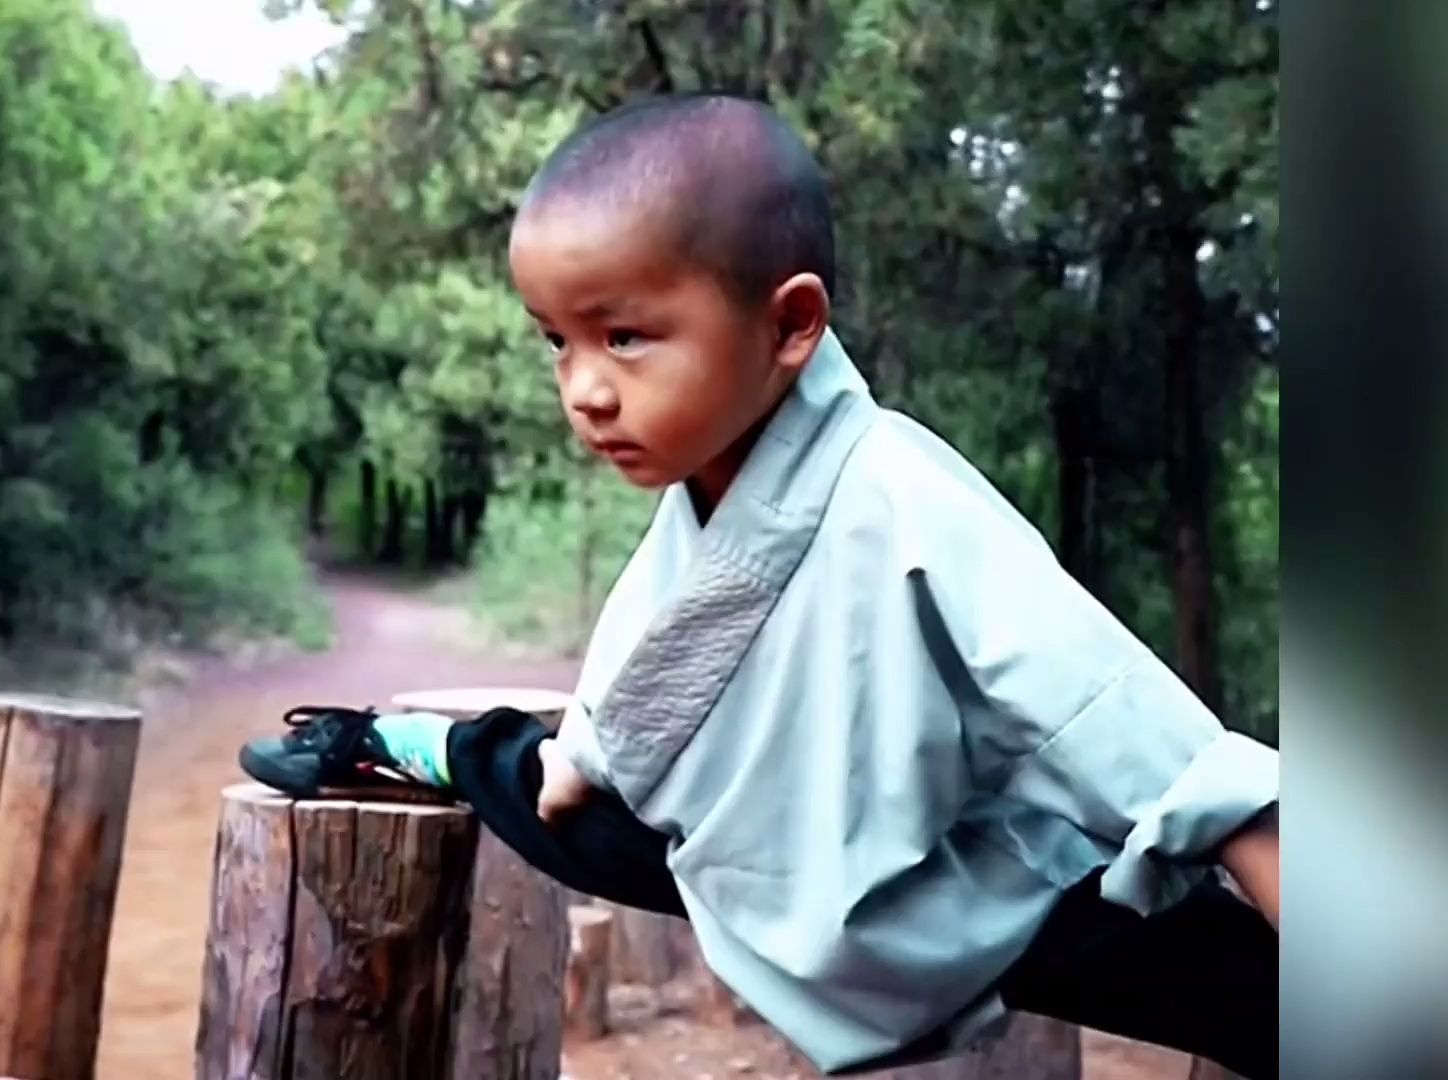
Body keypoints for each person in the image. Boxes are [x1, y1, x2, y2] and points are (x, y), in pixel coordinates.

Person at [240, 93, 1278, 1079]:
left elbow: (1105, 706)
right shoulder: (713, 482)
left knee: (1264, 993)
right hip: (802, 872)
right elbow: (658, 636)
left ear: (790, 326)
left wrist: (1262, 850)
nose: (584, 390)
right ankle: (405, 747)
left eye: (625, 337)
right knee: (563, 807)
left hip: (986, 884)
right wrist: (591, 750)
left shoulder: (901, 491)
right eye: (557, 340)